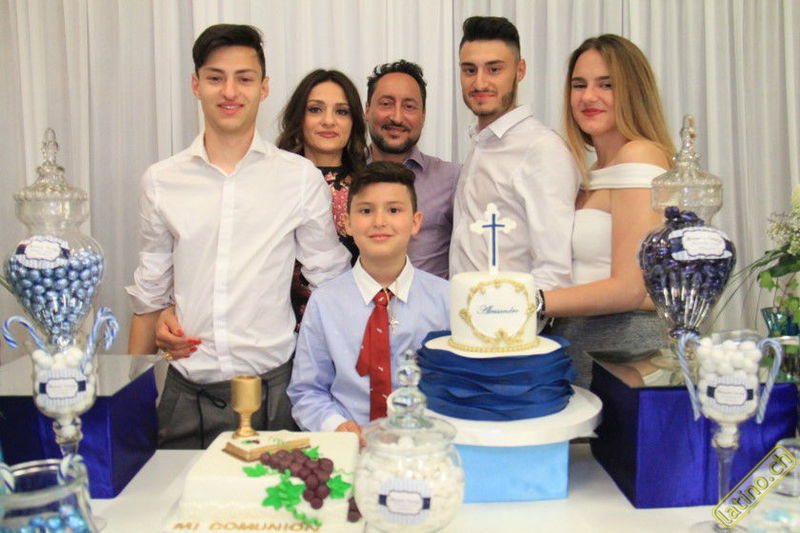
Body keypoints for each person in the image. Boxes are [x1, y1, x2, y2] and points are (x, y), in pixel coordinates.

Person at [125, 24, 350, 448]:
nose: (230, 91)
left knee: (278, 494)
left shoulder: (299, 178)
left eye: (244, 79)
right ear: (196, 84)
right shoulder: (161, 181)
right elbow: (149, 295)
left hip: (275, 395)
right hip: (186, 394)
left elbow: (332, 282)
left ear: (264, 88)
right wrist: (127, 410)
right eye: (216, 78)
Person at [543, 34, 676, 387]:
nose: (588, 97)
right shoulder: (587, 174)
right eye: (579, 85)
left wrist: (530, 301)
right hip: (580, 348)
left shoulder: (640, 154)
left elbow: (628, 288)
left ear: (633, 92)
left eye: (606, 85)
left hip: (628, 352)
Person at [287, 161, 449, 442]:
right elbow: (307, 391)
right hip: (349, 446)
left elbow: (459, 385)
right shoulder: (325, 303)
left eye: (394, 210)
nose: (379, 221)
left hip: (424, 446)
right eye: (365, 211)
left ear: (415, 222)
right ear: (347, 223)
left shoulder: (446, 299)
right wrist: (336, 426)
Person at [450, 16, 580, 295]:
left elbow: (555, 271)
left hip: (509, 318)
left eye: (494, 69)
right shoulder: (481, 143)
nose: (479, 82)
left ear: (520, 71)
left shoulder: (541, 149)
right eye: (469, 70)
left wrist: (518, 319)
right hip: (466, 314)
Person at [276, 69, 368, 322]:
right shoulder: (272, 182)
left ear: (354, 121)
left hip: (352, 321)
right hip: (277, 329)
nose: (329, 121)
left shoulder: (369, 188)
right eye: (316, 109)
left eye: (342, 111)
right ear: (299, 117)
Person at [365, 60, 460, 279]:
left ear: (423, 116)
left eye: (409, 106)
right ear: (367, 109)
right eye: (386, 104)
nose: (397, 117)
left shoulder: (452, 179)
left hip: (432, 301)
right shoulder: (344, 175)